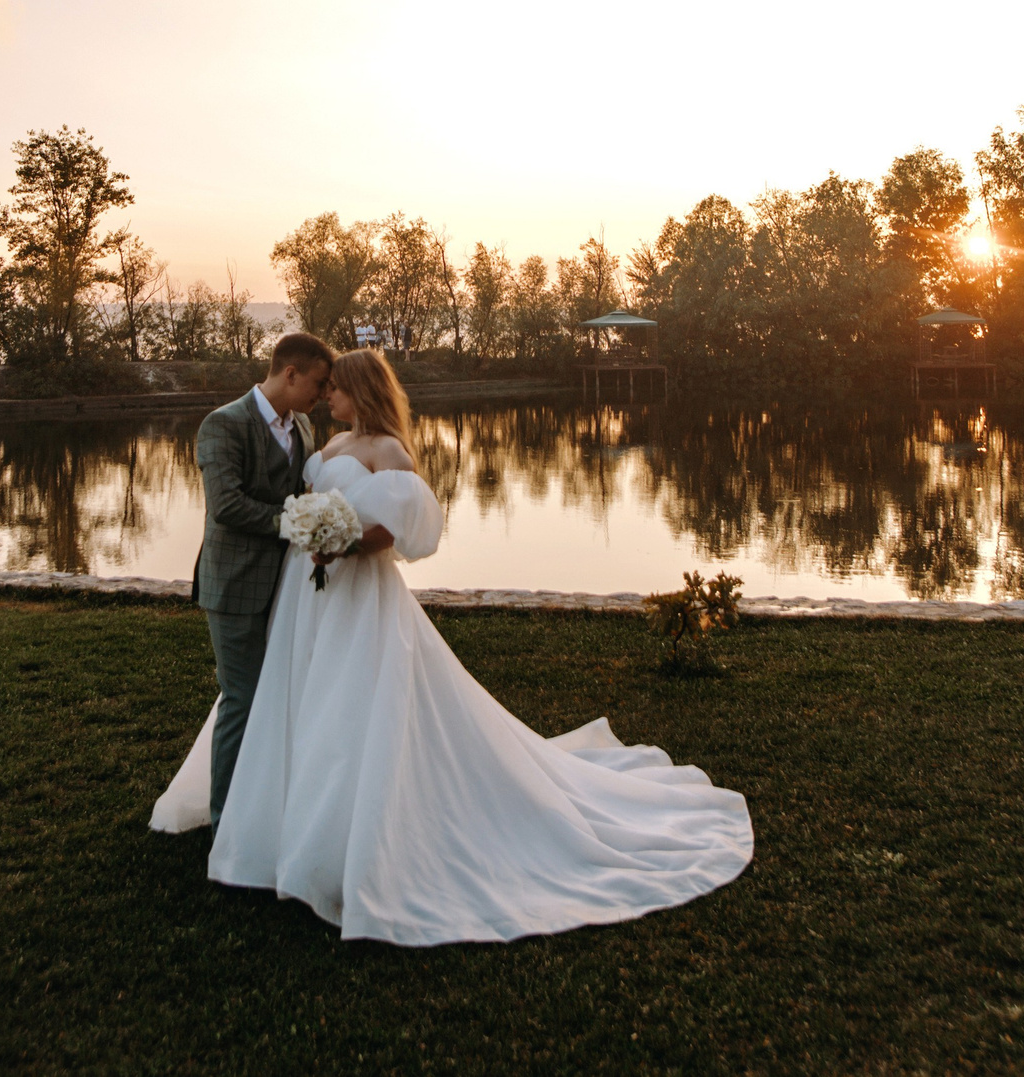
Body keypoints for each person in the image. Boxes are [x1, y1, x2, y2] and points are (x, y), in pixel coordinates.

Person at [155, 348, 753, 945]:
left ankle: (350, 835)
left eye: (335, 389)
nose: (326, 397)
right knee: (293, 700)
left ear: (360, 392)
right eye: (323, 387)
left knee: (353, 708)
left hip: (357, 592)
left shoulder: (388, 452)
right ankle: (276, 822)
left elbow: (392, 533)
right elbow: (271, 502)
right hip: (304, 596)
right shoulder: (321, 443)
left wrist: (340, 542)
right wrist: (313, 533)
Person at [188, 330, 337, 827]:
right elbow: (227, 505)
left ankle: (267, 810)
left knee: (277, 697)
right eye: (317, 384)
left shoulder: (304, 430)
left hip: (286, 588)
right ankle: (225, 820)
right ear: (289, 373)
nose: (322, 395)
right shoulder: (223, 424)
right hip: (234, 586)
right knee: (242, 700)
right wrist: (302, 523)